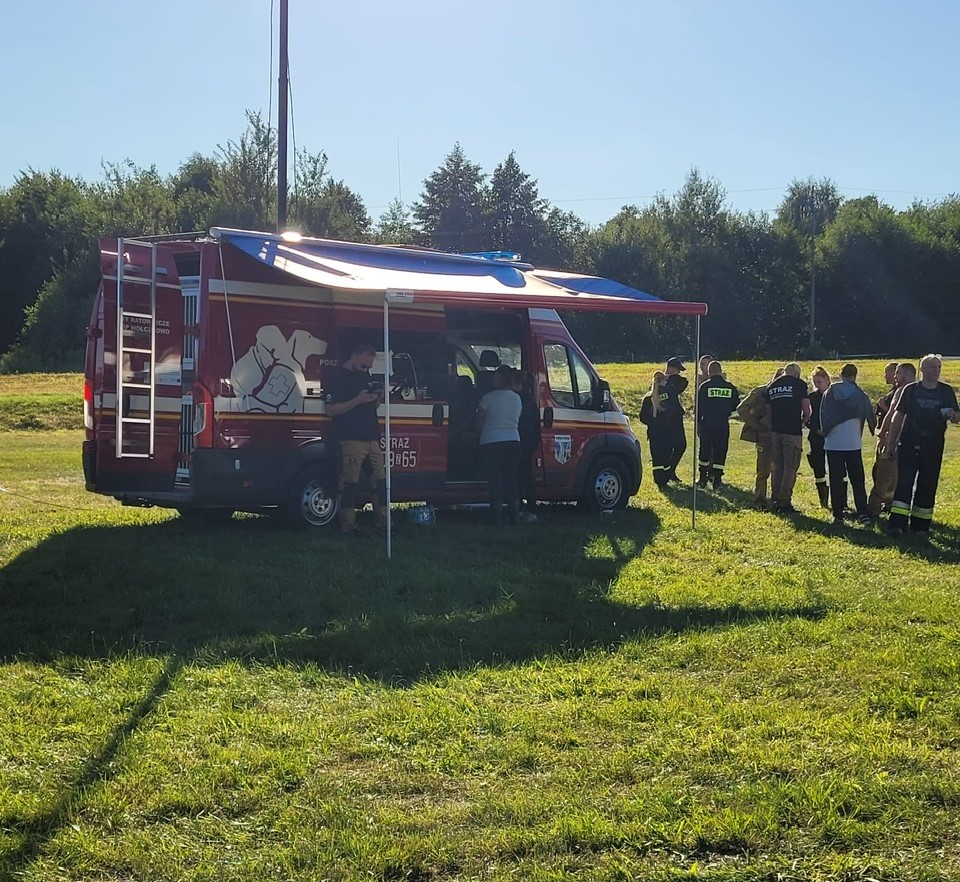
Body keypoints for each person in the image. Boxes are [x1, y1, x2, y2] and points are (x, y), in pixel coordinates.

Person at [884, 354, 960, 539]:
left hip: (933, 445)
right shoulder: (910, 390)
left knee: (928, 484)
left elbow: (958, 417)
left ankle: (921, 527)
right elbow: (898, 417)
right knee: (904, 483)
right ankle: (897, 525)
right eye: (933, 367)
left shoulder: (945, 391)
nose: (936, 370)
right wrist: (890, 443)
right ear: (923, 369)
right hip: (909, 443)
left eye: (938, 367)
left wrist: (953, 415)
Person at [324, 341, 387, 536]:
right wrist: (357, 400)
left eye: (369, 367)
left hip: (372, 437)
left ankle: (384, 523)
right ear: (355, 356)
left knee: (380, 482)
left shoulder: (364, 375)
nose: (366, 370)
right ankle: (348, 525)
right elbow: (330, 410)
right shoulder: (337, 376)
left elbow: (370, 406)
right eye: (363, 366)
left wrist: (377, 398)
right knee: (349, 484)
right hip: (350, 438)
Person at [819, 363, 877, 526]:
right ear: (854, 376)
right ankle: (863, 513)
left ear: (841, 374)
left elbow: (823, 415)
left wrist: (826, 430)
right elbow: (870, 417)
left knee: (836, 480)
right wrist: (874, 429)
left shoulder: (830, 392)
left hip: (833, 443)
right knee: (857, 480)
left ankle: (838, 515)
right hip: (852, 442)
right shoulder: (860, 395)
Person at [867, 362, 916, 517]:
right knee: (896, 477)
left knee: (883, 474)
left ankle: (873, 509)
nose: (895, 376)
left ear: (908, 374)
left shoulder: (901, 391)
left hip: (893, 440)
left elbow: (892, 415)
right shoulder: (919, 391)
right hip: (910, 441)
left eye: (898, 373)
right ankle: (891, 505)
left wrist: (882, 434)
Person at [477, 365, 522, 526]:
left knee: (495, 480)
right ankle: (514, 518)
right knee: (510, 479)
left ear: (500, 379)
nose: (492, 378)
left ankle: (496, 518)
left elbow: (479, 424)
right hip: (513, 441)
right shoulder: (517, 399)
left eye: (495, 376)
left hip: (491, 442)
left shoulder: (487, 398)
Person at [765, 362, 812, 513]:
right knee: (790, 467)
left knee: (777, 466)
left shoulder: (771, 386)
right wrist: (803, 421)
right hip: (792, 432)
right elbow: (807, 410)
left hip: (775, 431)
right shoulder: (799, 384)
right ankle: (784, 502)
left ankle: (775, 498)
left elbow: (768, 412)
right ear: (797, 374)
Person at [737, 367, 782, 507]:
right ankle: (760, 499)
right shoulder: (761, 392)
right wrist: (756, 425)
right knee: (763, 470)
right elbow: (742, 408)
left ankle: (777, 499)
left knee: (779, 469)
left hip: (782, 435)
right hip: (765, 436)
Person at [696, 360, 740, 489]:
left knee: (704, 450)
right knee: (720, 450)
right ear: (721, 371)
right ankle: (717, 480)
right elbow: (736, 405)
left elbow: (699, 407)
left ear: (709, 372)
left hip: (707, 423)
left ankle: (703, 478)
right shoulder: (729, 387)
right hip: (722, 424)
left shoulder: (704, 386)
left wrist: (698, 423)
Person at [513, 369, 541, 523]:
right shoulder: (531, 401)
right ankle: (531, 510)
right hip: (528, 442)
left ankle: (519, 509)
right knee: (526, 477)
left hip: (517, 440)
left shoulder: (515, 399)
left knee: (516, 477)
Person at [639, 371, 676, 489]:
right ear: (663, 381)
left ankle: (659, 479)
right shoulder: (668, 395)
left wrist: (652, 423)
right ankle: (665, 477)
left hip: (654, 432)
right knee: (666, 455)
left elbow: (642, 417)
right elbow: (674, 411)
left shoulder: (647, 398)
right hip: (667, 431)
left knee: (656, 456)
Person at [807, 366, 832, 509]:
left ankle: (841, 501)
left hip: (833, 435)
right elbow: (807, 418)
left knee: (838, 468)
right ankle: (823, 500)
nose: (817, 385)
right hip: (816, 436)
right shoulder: (812, 397)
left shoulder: (834, 395)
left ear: (826, 380)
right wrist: (816, 429)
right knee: (818, 466)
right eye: (815, 382)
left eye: (819, 382)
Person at [663, 356, 689, 483]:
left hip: (675, 417)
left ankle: (671, 470)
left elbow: (682, 384)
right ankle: (666, 472)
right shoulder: (659, 381)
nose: (678, 372)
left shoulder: (678, 381)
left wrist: (669, 378)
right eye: (677, 369)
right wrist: (665, 378)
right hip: (664, 419)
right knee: (667, 446)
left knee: (681, 445)